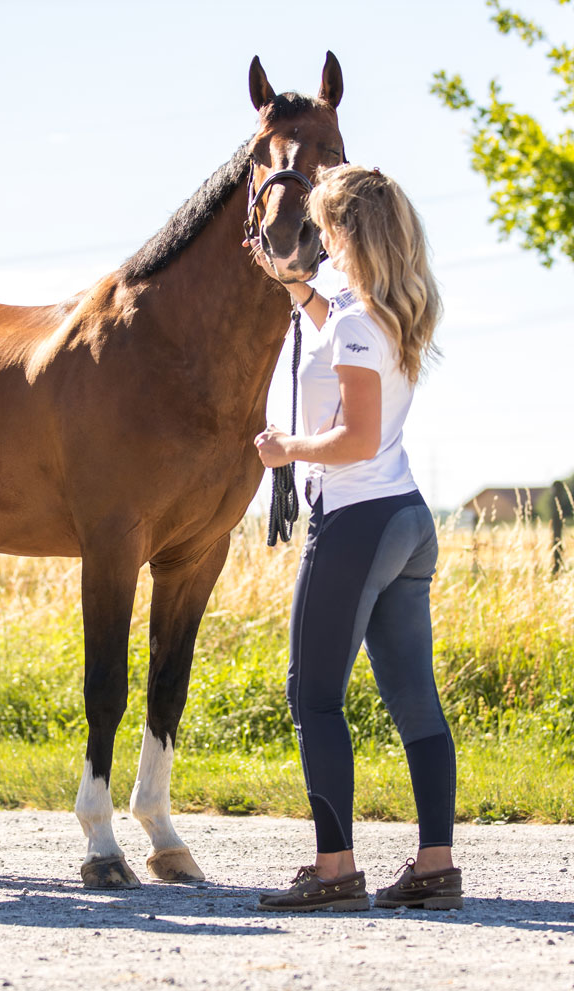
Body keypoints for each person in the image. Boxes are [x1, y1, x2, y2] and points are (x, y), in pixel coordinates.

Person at [250, 165, 461, 911]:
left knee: (313, 699)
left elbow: (355, 438)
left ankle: (334, 870)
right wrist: (295, 288)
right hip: (405, 518)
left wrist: (287, 448)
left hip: (357, 520)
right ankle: (435, 867)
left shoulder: (354, 322)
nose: (317, 240)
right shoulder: (387, 308)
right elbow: (338, 325)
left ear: (347, 232)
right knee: (415, 702)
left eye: (323, 228)